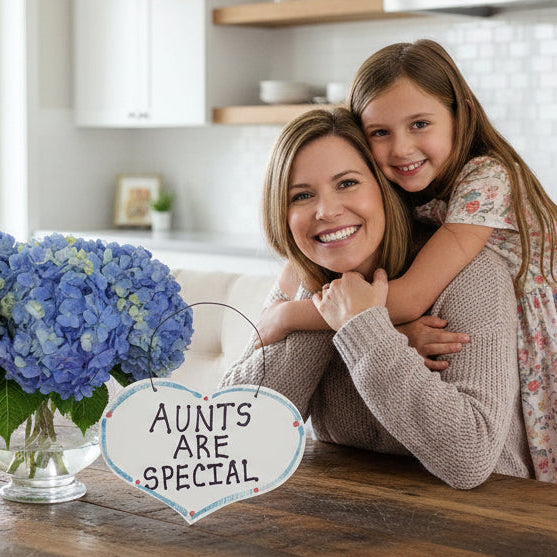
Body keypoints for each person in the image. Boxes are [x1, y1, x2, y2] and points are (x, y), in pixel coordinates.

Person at [257, 40, 557, 483]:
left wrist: (285, 317)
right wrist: (390, 336)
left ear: (462, 115)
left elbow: (409, 298)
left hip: (537, 328)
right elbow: (241, 431)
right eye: (380, 132)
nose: (401, 149)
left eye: (419, 123)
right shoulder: (404, 199)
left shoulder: (486, 180)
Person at [220, 107, 533, 489]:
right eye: (301, 195)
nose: (327, 211)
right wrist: (330, 297)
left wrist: (362, 327)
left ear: (384, 188)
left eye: (348, 183)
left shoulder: (471, 274)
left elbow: (469, 456)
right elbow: (228, 439)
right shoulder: (304, 280)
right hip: (343, 522)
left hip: (483, 526)